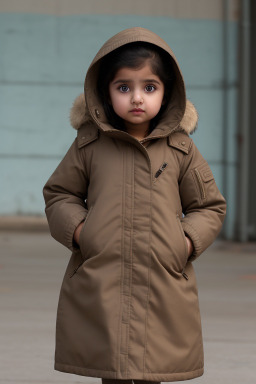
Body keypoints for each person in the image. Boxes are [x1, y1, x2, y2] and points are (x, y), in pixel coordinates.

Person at [43, 27, 226, 384]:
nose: (137, 98)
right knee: (110, 364)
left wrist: (184, 242)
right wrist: (83, 232)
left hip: (161, 279)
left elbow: (209, 206)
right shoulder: (89, 144)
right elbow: (60, 194)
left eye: (149, 87)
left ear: (166, 92)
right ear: (105, 91)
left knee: (151, 367)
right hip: (104, 277)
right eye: (124, 87)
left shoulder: (180, 149)